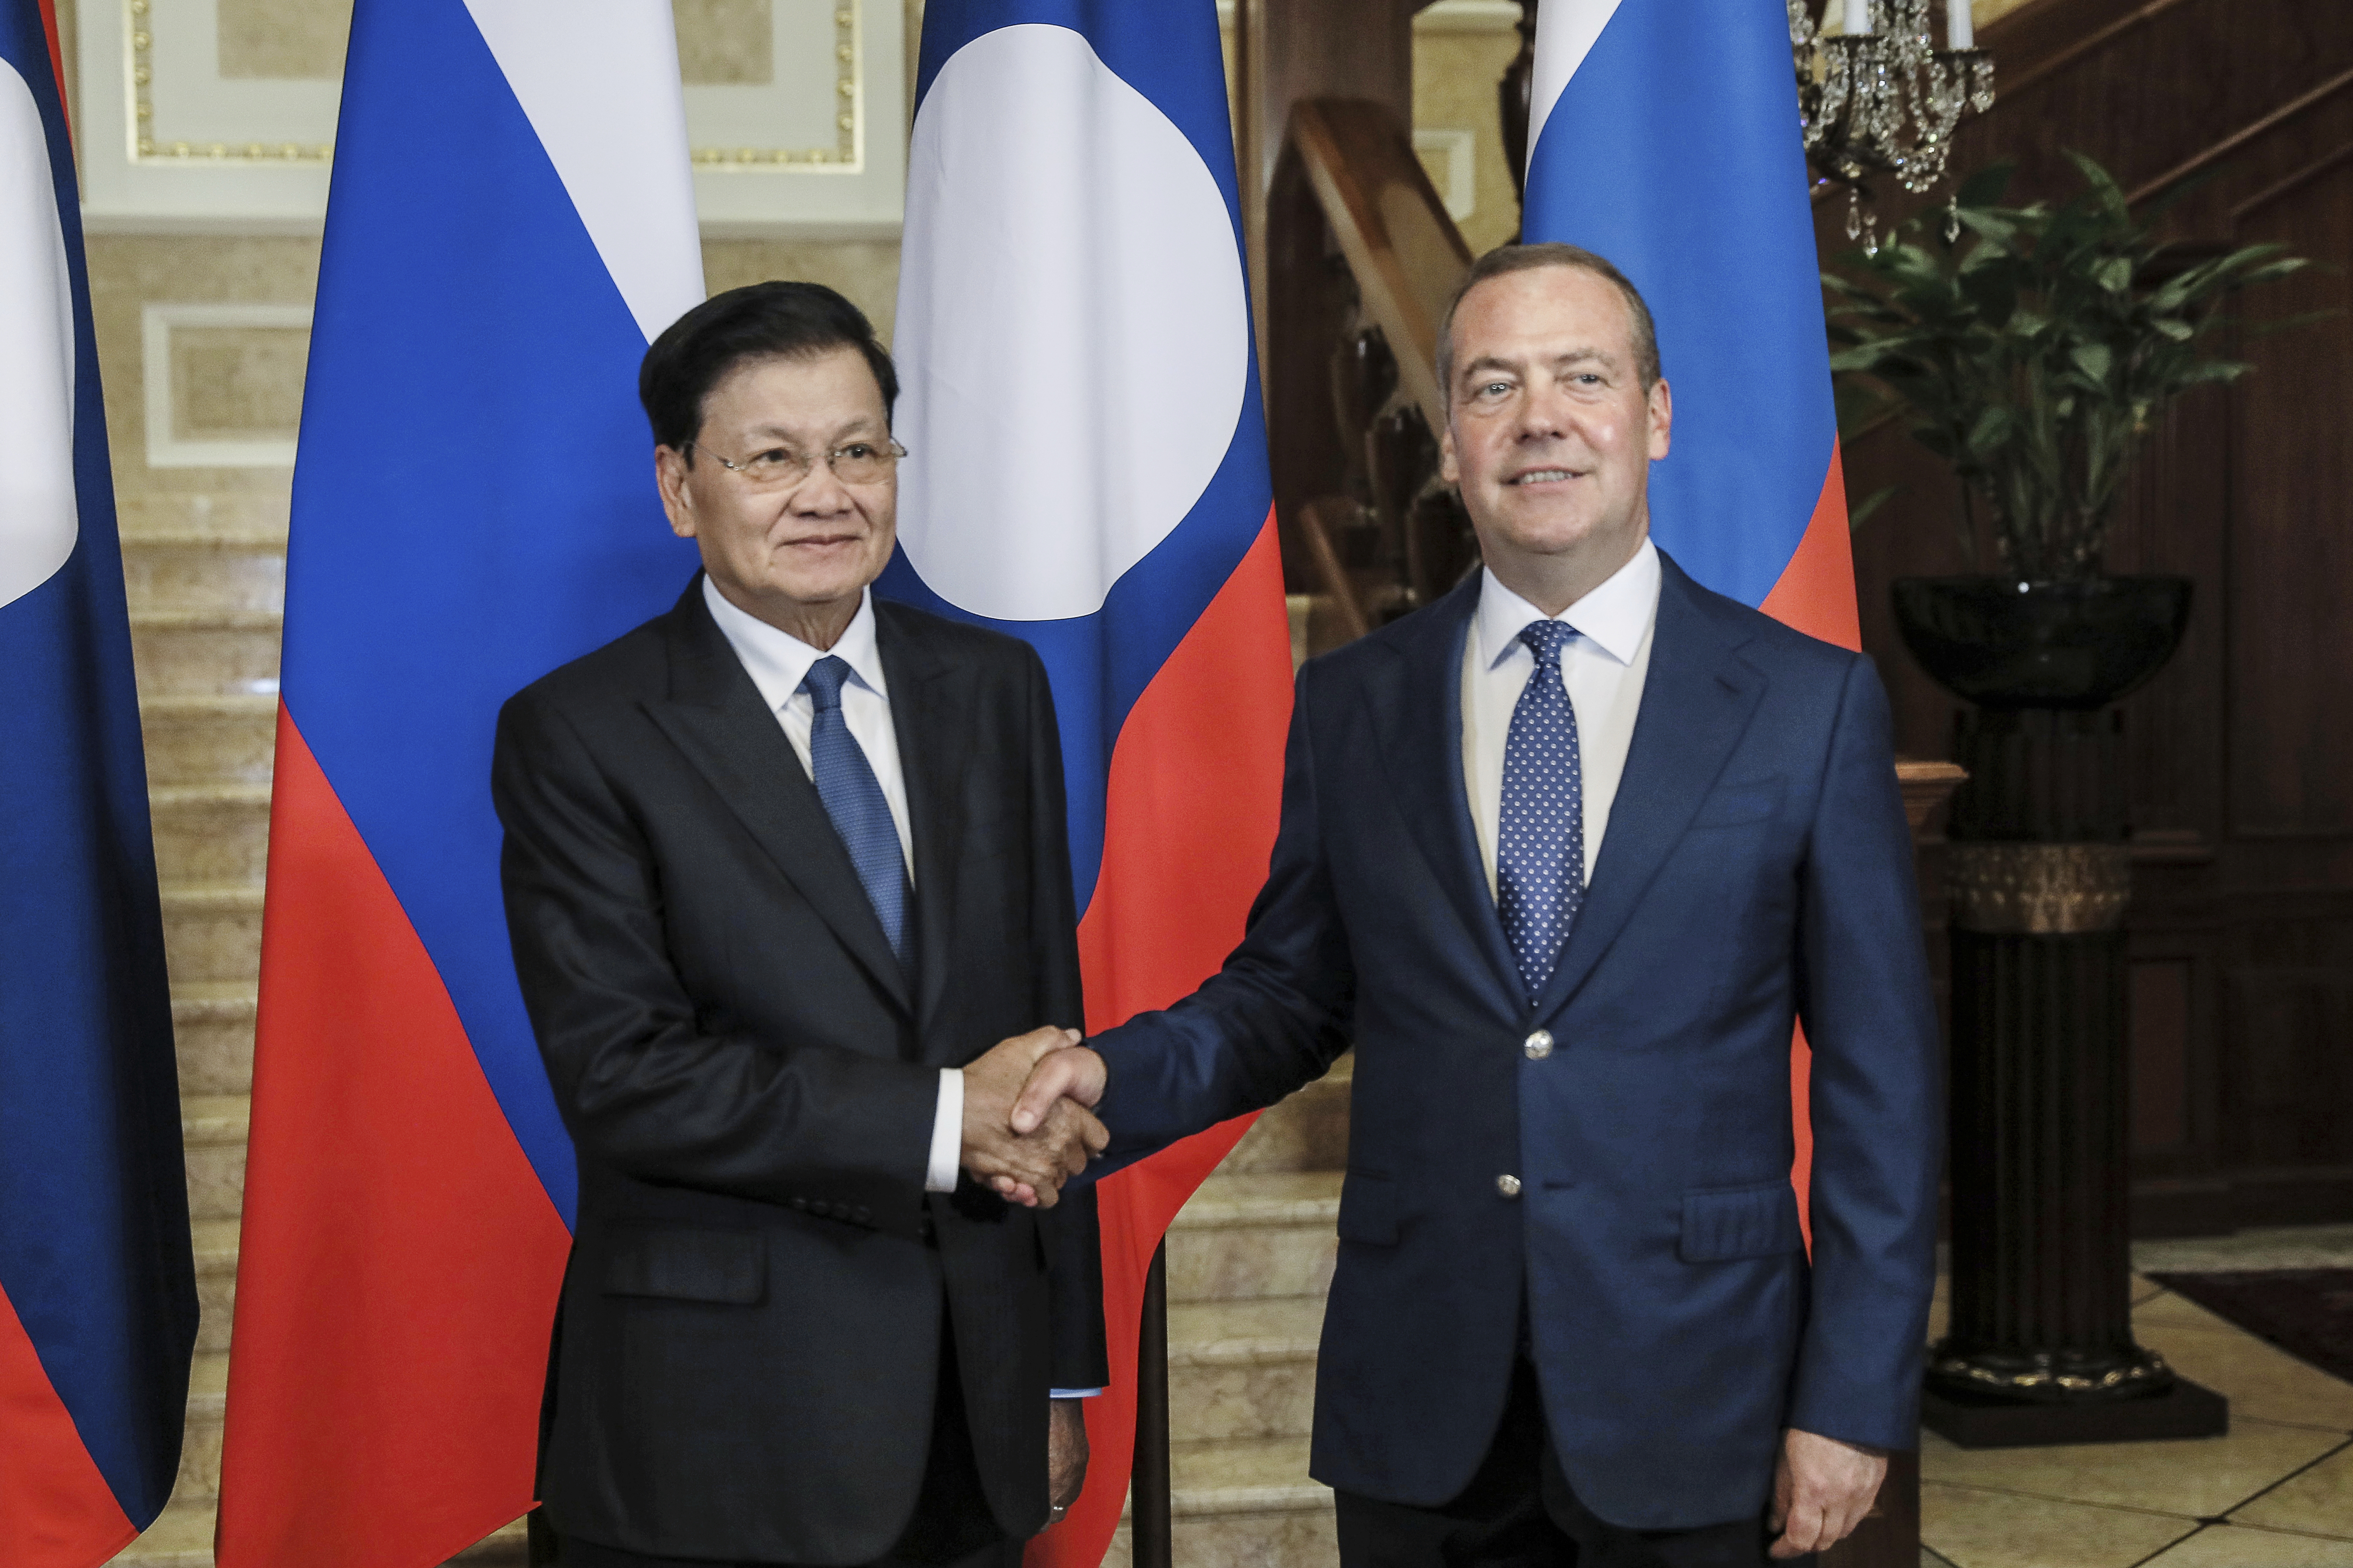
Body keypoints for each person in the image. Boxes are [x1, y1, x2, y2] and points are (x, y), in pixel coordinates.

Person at [1010, 244, 1941, 1566]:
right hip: (1423, 1399)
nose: (1540, 417)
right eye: (1495, 386)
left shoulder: (1806, 704)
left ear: (1655, 416)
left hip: (1701, 1391)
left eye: (1583, 377)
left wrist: (1850, 1397)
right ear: (1450, 439)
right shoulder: (1355, 700)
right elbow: (1289, 997)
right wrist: (1106, 1075)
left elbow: (1880, 1089)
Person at [491, 281, 1109, 1568]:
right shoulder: (580, 734)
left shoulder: (995, 690)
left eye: (859, 452)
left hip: (973, 1418)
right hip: (718, 1435)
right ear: (679, 487)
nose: (826, 496)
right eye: (771, 459)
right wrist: (943, 1118)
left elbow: (1048, 1037)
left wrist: (1057, 1372)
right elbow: (626, 1076)